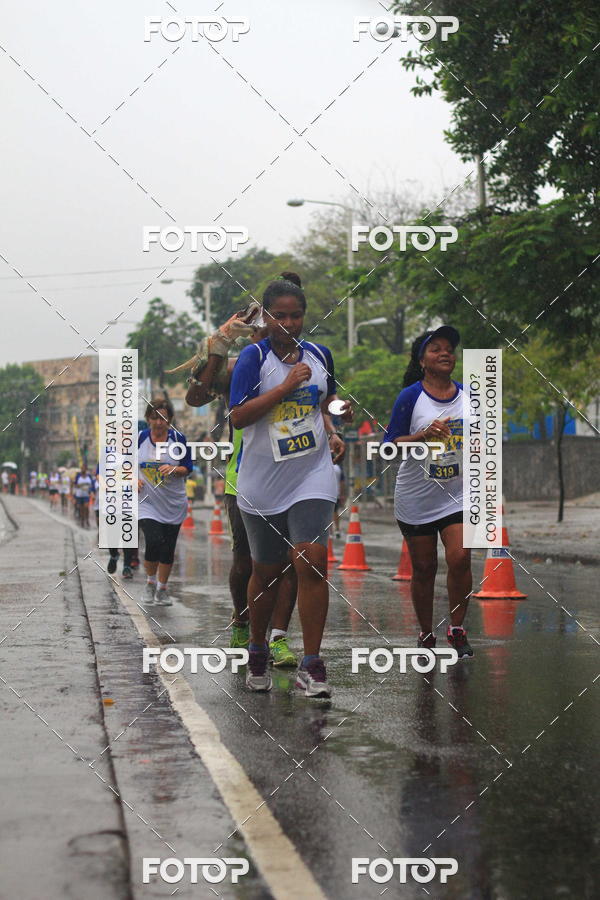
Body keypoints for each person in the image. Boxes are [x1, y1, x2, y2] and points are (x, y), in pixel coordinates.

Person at [229, 274, 350, 697]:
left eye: (296, 316)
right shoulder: (252, 358)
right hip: (261, 479)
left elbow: (324, 401)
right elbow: (239, 418)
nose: (288, 323)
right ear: (267, 317)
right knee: (266, 570)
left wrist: (336, 419)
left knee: (312, 558)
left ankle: (312, 664)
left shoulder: (320, 355)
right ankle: (258, 649)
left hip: (311, 473)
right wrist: (284, 387)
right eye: (279, 316)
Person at [383, 326, 473, 659]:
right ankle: (425, 631)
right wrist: (422, 436)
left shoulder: (470, 395)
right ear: (422, 360)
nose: (445, 353)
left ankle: (457, 628)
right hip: (417, 497)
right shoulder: (410, 397)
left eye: (449, 348)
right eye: (436, 349)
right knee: (424, 568)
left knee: (461, 556)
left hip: (457, 493)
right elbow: (389, 447)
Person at [138, 398, 192, 607]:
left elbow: (187, 467)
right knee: (153, 540)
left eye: (163, 418)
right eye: (154, 418)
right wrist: (133, 478)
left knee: (168, 547)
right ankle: (150, 582)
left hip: (173, 502)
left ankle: (162, 589)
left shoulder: (178, 439)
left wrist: (174, 469)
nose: (158, 423)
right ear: (148, 419)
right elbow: (125, 463)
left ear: (169, 419)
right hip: (147, 501)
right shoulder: (140, 438)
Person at [73, 463, 94, 528]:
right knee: (81, 509)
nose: (83, 469)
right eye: (82, 468)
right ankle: (82, 520)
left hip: (86, 495)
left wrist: (91, 491)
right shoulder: (78, 476)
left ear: (86, 469)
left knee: (86, 507)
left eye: (84, 468)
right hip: (79, 495)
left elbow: (91, 485)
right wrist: (79, 487)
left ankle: (87, 520)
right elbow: (75, 485)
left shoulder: (89, 476)